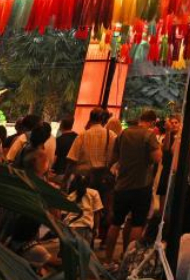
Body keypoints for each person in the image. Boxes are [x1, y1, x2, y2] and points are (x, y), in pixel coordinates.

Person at [103, 110, 161, 262]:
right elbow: (157, 158)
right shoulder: (149, 136)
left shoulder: (123, 134)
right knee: (137, 223)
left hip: (122, 185)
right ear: (152, 122)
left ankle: (108, 259)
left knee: (116, 223)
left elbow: (114, 158)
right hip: (141, 186)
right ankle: (128, 260)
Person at [67, 108, 117, 246]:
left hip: (84, 179)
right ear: (103, 120)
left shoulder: (83, 135)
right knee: (102, 209)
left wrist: (66, 179)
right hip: (103, 179)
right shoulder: (111, 135)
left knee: (84, 209)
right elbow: (115, 157)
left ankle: (83, 239)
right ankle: (99, 237)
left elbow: (72, 159)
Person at [63, 173, 104, 244]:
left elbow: (64, 214)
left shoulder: (71, 196)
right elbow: (97, 213)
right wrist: (96, 228)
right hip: (85, 228)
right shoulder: (94, 193)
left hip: (70, 228)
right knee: (84, 253)